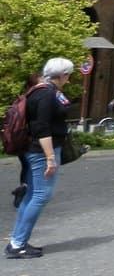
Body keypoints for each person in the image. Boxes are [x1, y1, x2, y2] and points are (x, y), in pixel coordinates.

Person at [6, 57, 74, 259]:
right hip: (41, 151)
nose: (69, 79)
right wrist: (50, 157)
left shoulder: (40, 90)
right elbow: (42, 127)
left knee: (32, 195)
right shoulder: (46, 94)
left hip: (35, 150)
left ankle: (17, 241)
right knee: (41, 195)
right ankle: (17, 244)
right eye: (68, 75)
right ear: (61, 75)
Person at [9, 74, 42, 211]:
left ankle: (23, 187)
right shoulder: (35, 99)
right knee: (33, 167)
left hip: (18, 139)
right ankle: (26, 191)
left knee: (26, 165)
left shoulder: (20, 100)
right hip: (30, 140)